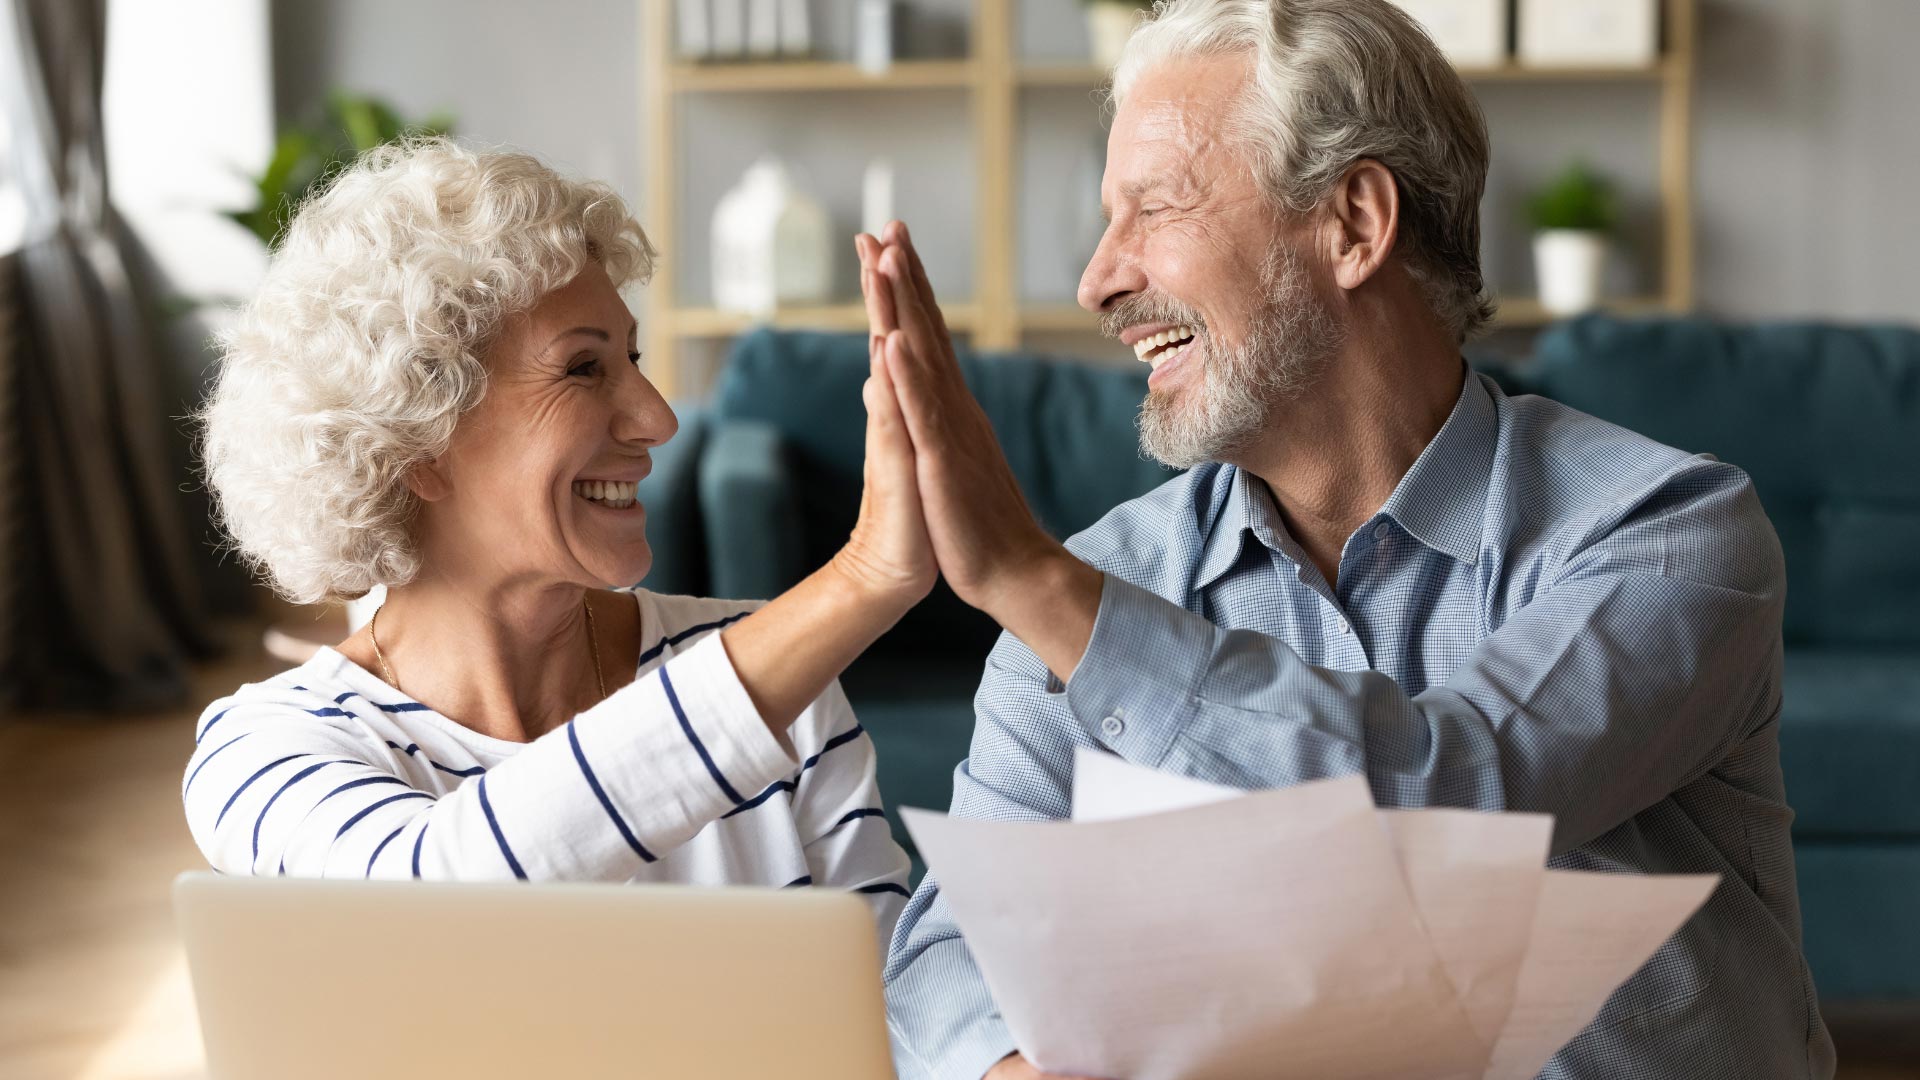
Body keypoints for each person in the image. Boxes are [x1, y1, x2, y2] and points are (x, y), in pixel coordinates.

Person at [867, 1, 1834, 1077]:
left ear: (1355, 225)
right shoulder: (1103, 585)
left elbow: (1455, 796)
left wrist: (1028, 580)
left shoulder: (1665, 532)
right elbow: (949, 956)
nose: (1100, 278)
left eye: (1155, 208)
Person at [185, 139, 929, 947]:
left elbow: (891, 1005)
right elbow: (427, 909)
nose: (658, 420)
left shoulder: (786, 687)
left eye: (633, 358)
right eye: (582, 369)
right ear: (416, 441)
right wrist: (861, 580)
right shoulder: (266, 751)